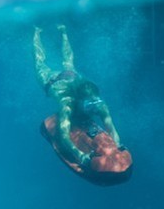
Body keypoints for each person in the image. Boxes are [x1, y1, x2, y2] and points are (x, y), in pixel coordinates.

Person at [33, 25, 124, 166]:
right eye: (89, 105)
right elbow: (64, 135)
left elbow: (111, 127)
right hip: (51, 80)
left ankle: (63, 32)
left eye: (95, 103)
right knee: (40, 63)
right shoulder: (67, 103)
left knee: (69, 61)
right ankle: (37, 32)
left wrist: (117, 145)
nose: (93, 109)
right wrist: (80, 155)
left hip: (72, 76)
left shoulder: (99, 104)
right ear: (78, 100)